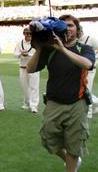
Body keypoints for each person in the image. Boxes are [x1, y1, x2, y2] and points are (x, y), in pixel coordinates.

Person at [27, 15, 95, 172]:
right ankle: (70, 161)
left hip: (77, 102)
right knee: (47, 139)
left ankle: (71, 168)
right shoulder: (49, 50)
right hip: (54, 102)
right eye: (64, 25)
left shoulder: (84, 48)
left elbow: (88, 64)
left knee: (74, 145)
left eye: (71, 25)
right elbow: (30, 69)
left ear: (77, 29)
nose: (67, 28)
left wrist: (62, 49)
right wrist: (40, 48)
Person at [13, 27, 39, 113]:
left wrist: (28, 55)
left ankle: (34, 105)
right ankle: (27, 103)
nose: (28, 35)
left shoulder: (36, 43)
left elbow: (38, 55)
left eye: (30, 34)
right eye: (27, 33)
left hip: (34, 68)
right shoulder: (19, 43)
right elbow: (14, 54)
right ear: (24, 34)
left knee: (34, 87)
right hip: (23, 67)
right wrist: (21, 54)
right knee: (25, 87)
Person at [79, 30, 98, 118]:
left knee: (87, 88)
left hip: (90, 69)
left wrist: (95, 61)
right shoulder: (74, 40)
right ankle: (96, 102)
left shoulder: (91, 39)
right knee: (80, 89)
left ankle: (88, 113)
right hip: (79, 69)